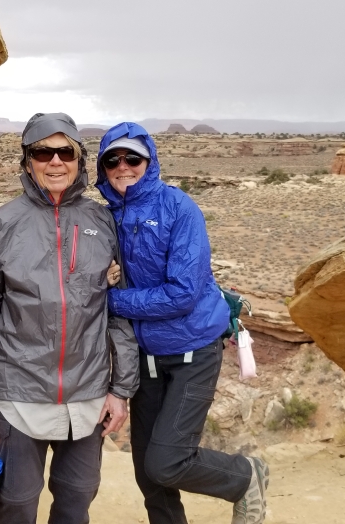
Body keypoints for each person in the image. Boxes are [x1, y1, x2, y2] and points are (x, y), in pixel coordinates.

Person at [0, 113, 139, 523]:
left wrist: (121, 390)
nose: (55, 161)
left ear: (79, 159)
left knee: (77, 498)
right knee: (17, 503)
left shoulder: (101, 221)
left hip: (88, 396)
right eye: (43, 151)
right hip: (17, 395)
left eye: (65, 152)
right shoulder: (3, 223)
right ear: (27, 161)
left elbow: (118, 313)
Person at [95, 122, 270, 524]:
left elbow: (182, 293)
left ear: (149, 161)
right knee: (148, 474)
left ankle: (244, 476)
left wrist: (111, 300)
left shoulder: (179, 208)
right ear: (103, 168)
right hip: (146, 357)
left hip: (192, 350)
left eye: (132, 158)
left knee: (167, 462)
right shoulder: (105, 218)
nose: (124, 166)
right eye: (113, 160)